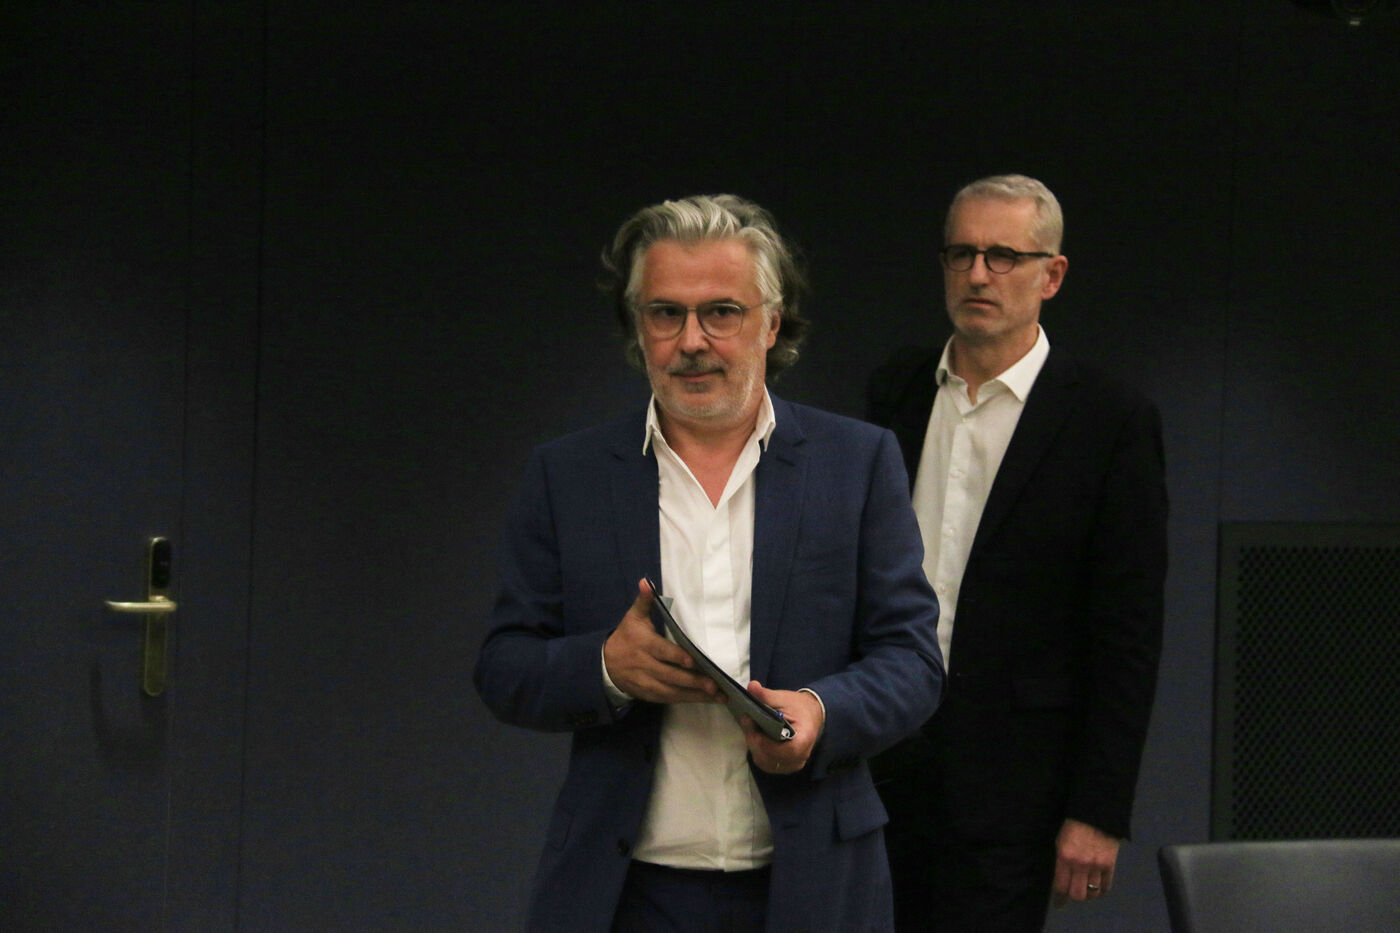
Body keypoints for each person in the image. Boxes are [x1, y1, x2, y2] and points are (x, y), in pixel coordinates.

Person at [475, 194, 944, 933]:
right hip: (625, 893)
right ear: (639, 327)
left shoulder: (857, 463)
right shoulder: (567, 475)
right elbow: (504, 666)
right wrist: (606, 667)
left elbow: (914, 661)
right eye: (666, 313)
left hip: (814, 886)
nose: (691, 341)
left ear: (771, 324)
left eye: (721, 312)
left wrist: (820, 713)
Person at [868, 175, 1168, 931]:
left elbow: (1127, 634)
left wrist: (1099, 810)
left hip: (1013, 789)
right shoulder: (897, 390)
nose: (977, 274)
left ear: (1052, 275)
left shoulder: (1108, 420)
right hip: (881, 764)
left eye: (1002, 255)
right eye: (962, 253)